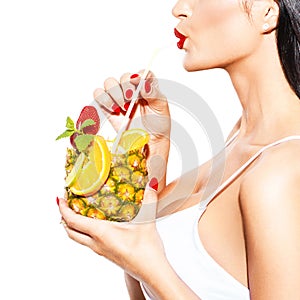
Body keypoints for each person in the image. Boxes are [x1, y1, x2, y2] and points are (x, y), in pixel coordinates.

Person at [58, 0, 300, 298]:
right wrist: (151, 155)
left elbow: (151, 269)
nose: (179, 8)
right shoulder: (241, 137)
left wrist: (150, 268)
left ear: (267, 12)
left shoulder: (283, 171)